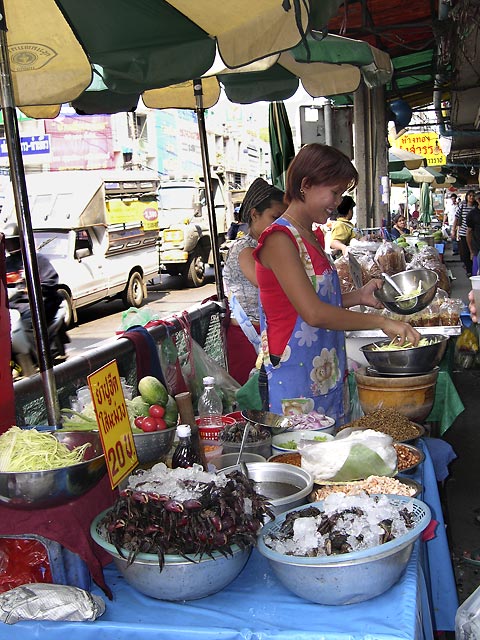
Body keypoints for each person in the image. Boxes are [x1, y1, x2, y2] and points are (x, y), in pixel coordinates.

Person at [253, 143, 420, 425]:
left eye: (341, 193)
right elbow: (313, 313)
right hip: (295, 375)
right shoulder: (279, 239)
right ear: (305, 185)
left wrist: (359, 296)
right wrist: (382, 322)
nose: (337, 201)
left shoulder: (310, 236)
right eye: (334, 192)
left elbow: (315, 299)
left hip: (325, 369)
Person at [223, 178, 286, 385]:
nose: (279, 225)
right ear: (254, 214)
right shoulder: (245, 249)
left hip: (264, 334)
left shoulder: (266, 246)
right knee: (250, 399)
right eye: (274, 217)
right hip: (247, 337)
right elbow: (272, 286)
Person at [4, 222, 63, 354]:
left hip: (38, 302)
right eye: (7, 243)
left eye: (12, 242)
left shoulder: (35, 259)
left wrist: (29, 289)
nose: (9, 246)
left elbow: (51, 280)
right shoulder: (6, 265)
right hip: (15, 305)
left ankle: (43, 359)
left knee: (28, 324)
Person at [452, 190, 477, 277]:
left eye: (473, 196)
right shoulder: (463, 205)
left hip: (473, 234)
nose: (471, 197)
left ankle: (473, 269)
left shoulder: (476, 207)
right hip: (463, 233)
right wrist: (453, 230)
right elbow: (456, 217)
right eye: (470, 196)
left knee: (473, 252)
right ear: (466, 197)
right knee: (465, 253)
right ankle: (469, 269)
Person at [466, 198, 480, 276]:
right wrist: (471, 251)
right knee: (477, 276)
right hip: (477, 248)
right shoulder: (472, 214)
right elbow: (469, 232)